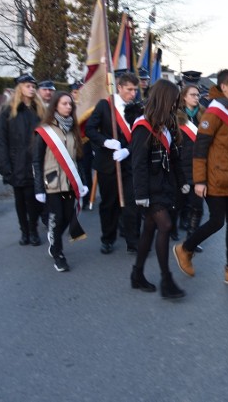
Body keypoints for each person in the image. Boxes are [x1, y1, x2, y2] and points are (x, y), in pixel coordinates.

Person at [173, 69, 228, 288]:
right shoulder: (214, 112)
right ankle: (185, 248)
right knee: (217, 221)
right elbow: (200, 148)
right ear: (224, 87)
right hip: (216, 178)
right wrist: (199, 181)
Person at [131, 79, 187, 299]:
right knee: (165, 226)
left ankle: (137, 274)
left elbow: (174, 156)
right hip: (149, 190)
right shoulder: (142, 127)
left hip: (163, 186)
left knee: (149, 230)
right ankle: (167, 280)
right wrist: (141, 194)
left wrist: (182, 180)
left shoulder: (167, 123)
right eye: (174, 100)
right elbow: (138, 164)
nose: (176, 104)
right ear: (165, 99)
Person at [32, 91, 88, 272]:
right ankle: (58, 254)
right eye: (64, 103)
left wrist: (83, 182)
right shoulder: (44, 131)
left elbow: (79, 158)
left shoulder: (73, 129)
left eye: (70, 104)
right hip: (53, 183)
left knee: (67, 216)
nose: (68, 107)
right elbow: (37, 160)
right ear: (55, 106)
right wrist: (39, 188)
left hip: (70, 183)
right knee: (57, 217)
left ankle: (53, 239)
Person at [85, 72, 139, 254]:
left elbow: (140, 136)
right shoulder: (105, 105)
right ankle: (107, 238)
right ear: (120, 87)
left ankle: (133, 241)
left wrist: (128, 150)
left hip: (128, 163)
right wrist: (105, 141)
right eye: (129, 89)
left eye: (135, 90)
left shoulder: (138, 108)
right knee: (109, 204)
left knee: (131, 204)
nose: (133, 94)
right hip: (108, 164)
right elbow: (90, 129)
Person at [0, 74, 45, 245]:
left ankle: (33, 230)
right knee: (20, 200)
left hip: (35, 163)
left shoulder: (40, 110)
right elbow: (0, 141)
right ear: (20, 88)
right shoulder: (8, 111)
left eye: (33, 86)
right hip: (16, 164)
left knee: (34, 199)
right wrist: (5, 166)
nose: (31, 89)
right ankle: (24, 231)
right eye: (27, 86)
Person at [176, 83, 204, 248]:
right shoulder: (176, 117)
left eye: (197, 95)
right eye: (193, 94)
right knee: (178, 204)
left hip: (199, 166)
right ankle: (171, 228)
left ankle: (191, 238)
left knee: (197, 206)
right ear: (184, 97)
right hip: (181, 166)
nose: (196, 97)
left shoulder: (204, 115)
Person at [70, 82, 94, 210]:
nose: (77, 94)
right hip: (70, 143)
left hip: (85, 143)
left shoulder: (88, 108)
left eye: (80, 91)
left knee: (85, 171)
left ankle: (86, 198)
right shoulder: (67, 107)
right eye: (75, 92)